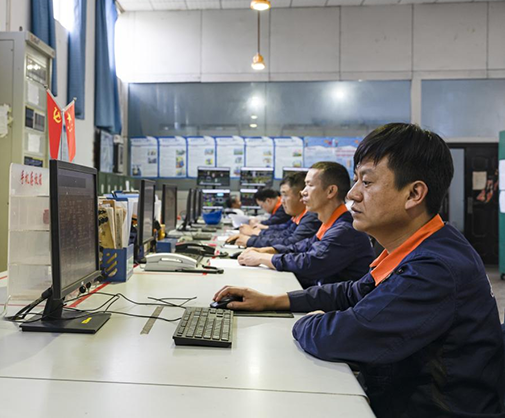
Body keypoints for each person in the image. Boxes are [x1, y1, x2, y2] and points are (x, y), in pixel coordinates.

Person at [214, 123, 505, 417]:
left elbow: (340, 336)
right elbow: (353, 292)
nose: (352, 194)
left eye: (366, 182)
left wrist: (309, 321)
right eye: (355, 181)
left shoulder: (435, 268)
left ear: (414, 193)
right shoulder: (425, 245)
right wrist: (274, 301)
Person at [236, 162, 373, 287]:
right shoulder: (330, 224)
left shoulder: (345, 230)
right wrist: (265, 251)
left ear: (330, 191)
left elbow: (310, 263)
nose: (303, 192)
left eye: (310, 185)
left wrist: (262, 257)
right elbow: (301, 247)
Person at [227, 172, 320, 248]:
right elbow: (285, 233)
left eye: (285, 195)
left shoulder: (312, 217)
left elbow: (291, 243)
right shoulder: (299, 215)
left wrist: (252, 239)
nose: (282, 201)